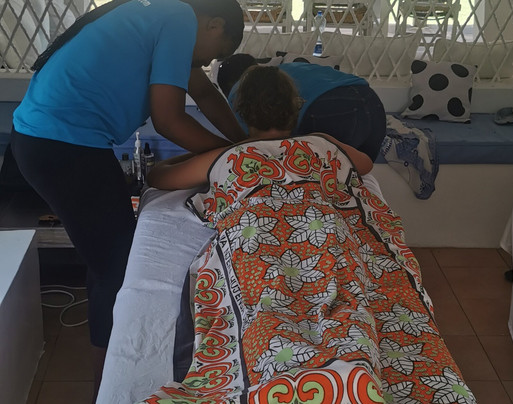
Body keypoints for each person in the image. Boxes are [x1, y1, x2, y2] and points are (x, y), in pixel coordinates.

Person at [140, 66, 474, 404]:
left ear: (241, 112)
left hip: (258, 236)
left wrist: (210, 153)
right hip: (329, 232)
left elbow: (159, 176)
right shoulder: (322, 144)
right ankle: (355, 370)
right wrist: (324, 144)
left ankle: (283, 380)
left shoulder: (228, 157)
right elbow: (365, 165)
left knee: (267, 303)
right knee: (351, 296)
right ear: (296, 108)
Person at [10, 0, 245, 400]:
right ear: (214, 25)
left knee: (109, 261)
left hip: (49, 141)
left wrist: (242, 143)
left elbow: (205, 93)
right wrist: (234, 157)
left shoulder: (159, 19)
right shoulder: (179, 19)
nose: (207, 63)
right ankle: (107, 388)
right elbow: (169, 121)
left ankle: (104, 377)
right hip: (63, 146)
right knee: (117, 268)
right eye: (215, 54)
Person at [217, 53, 387, 162]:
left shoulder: (243, 88)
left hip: (329, 108)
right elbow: (365, 165)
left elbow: (248, 142)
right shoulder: (286, 70)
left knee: (312, 171)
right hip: (373, 104)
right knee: (356, 175)